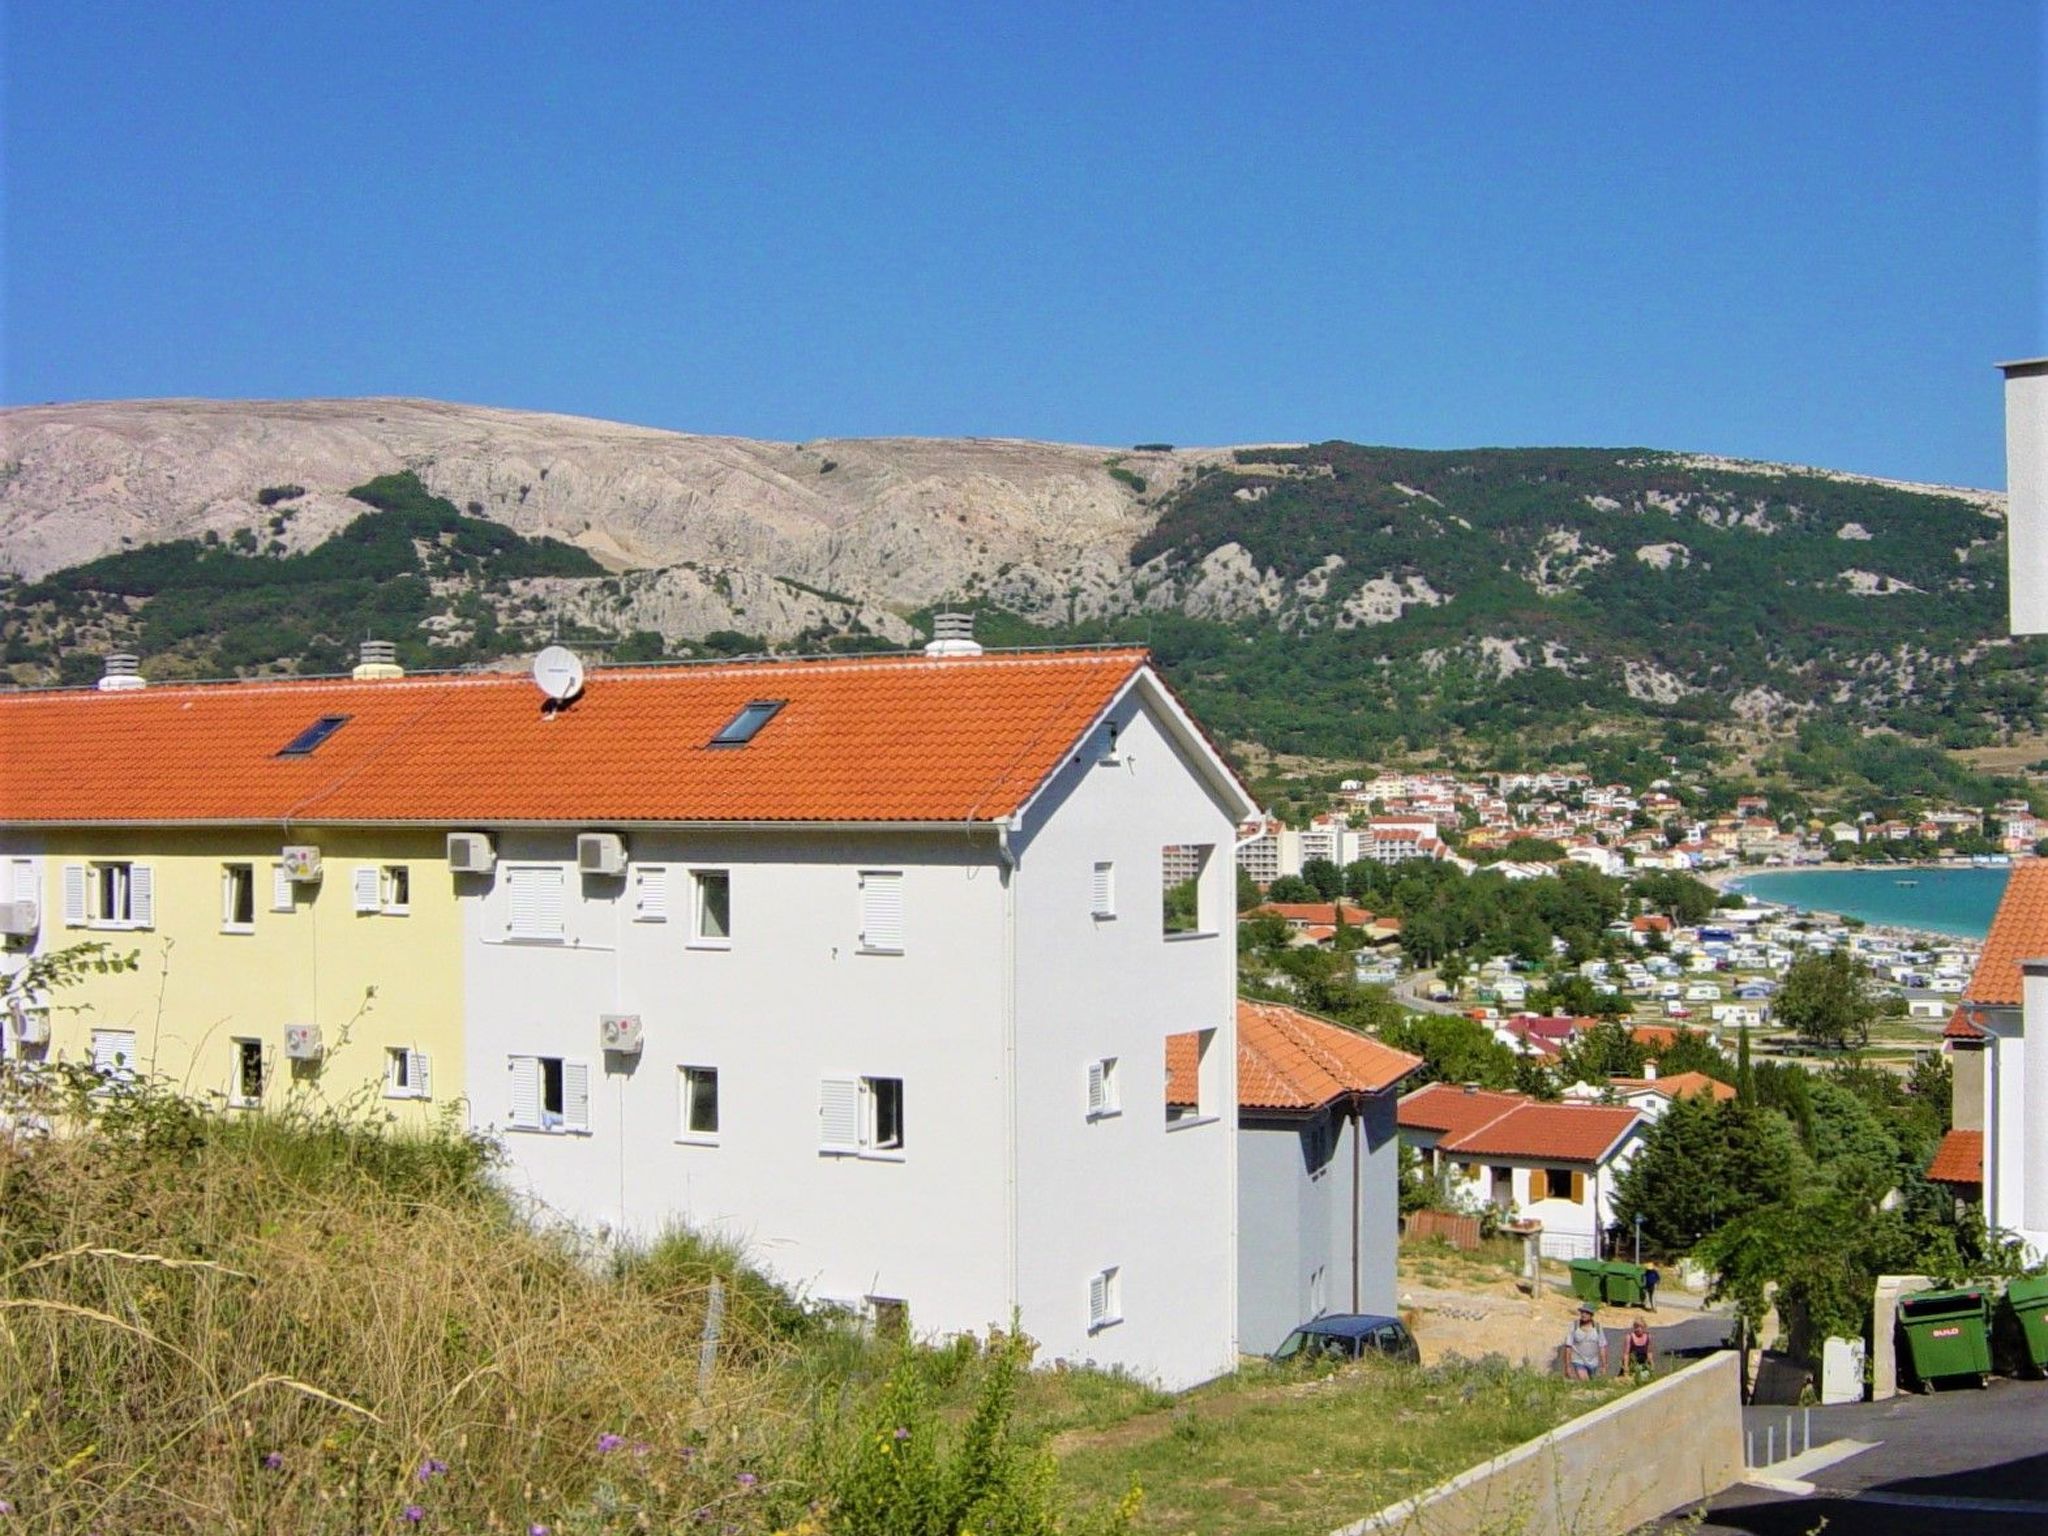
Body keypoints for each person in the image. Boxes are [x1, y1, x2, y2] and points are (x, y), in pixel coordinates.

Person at [1561, 1304, 1607, 1380]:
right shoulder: (1574, 1326)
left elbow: (1602, 1347)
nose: (1583, 1315)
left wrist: (1604, 1365)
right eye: (1582, 1312)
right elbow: (1568, 1347)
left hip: (1593, 1362)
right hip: (1578, 1360)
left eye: (1587, 1313)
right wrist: (1567, 1366)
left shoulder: (1598, 1327)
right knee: (1584, 1380)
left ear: (1591, 1315)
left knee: (1591, 1384)